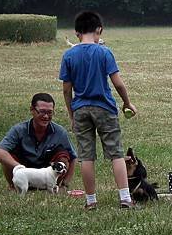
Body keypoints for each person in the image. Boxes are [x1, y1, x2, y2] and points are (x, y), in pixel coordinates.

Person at [59, 11, 138, 209]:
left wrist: (71, 114)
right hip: (104, 107)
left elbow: (66, 90)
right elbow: (118, 83)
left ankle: (91, 201)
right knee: (116, 154)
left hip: (80, 109)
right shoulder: (104, 52)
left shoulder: (69, 55)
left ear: (77, 33)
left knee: (86, 156)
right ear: (99, 30)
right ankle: (125, 198)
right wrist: (127, 103)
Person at [0, 93, 77, 191]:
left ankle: (55, 187)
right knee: (8, 155)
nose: (46, 116)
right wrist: (20, 168)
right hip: (23, 170)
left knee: (64, 156)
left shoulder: (60, 132)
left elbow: (73, 158)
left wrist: (65, 184)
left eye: (50, 112)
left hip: (48, 172)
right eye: (42, 112)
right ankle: (14, 187)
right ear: (32, 110)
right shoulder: (18, 130)